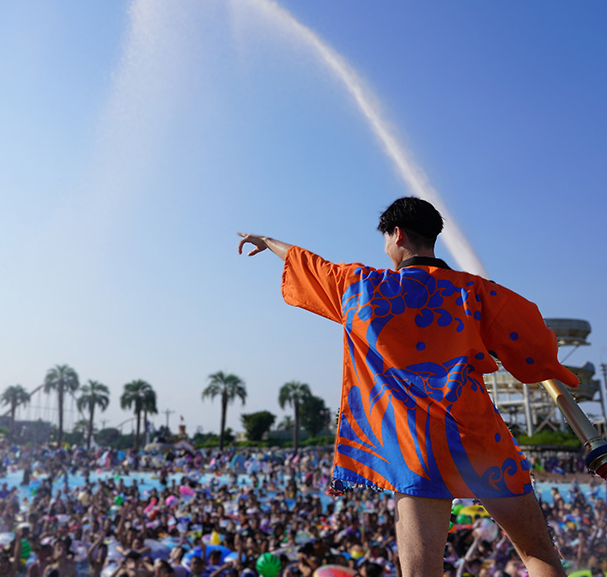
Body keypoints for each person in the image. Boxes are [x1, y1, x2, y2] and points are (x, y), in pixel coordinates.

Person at [238, 196, 579, 577]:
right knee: (538, 555)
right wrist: (551, 368)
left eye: (385, 240)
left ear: (397, 234)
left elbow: (311, 264)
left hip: (417, 451)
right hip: (481, 441)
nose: (385, 250)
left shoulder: (363, 287)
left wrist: (268, 241)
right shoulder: (477, 291)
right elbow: (535, 345)